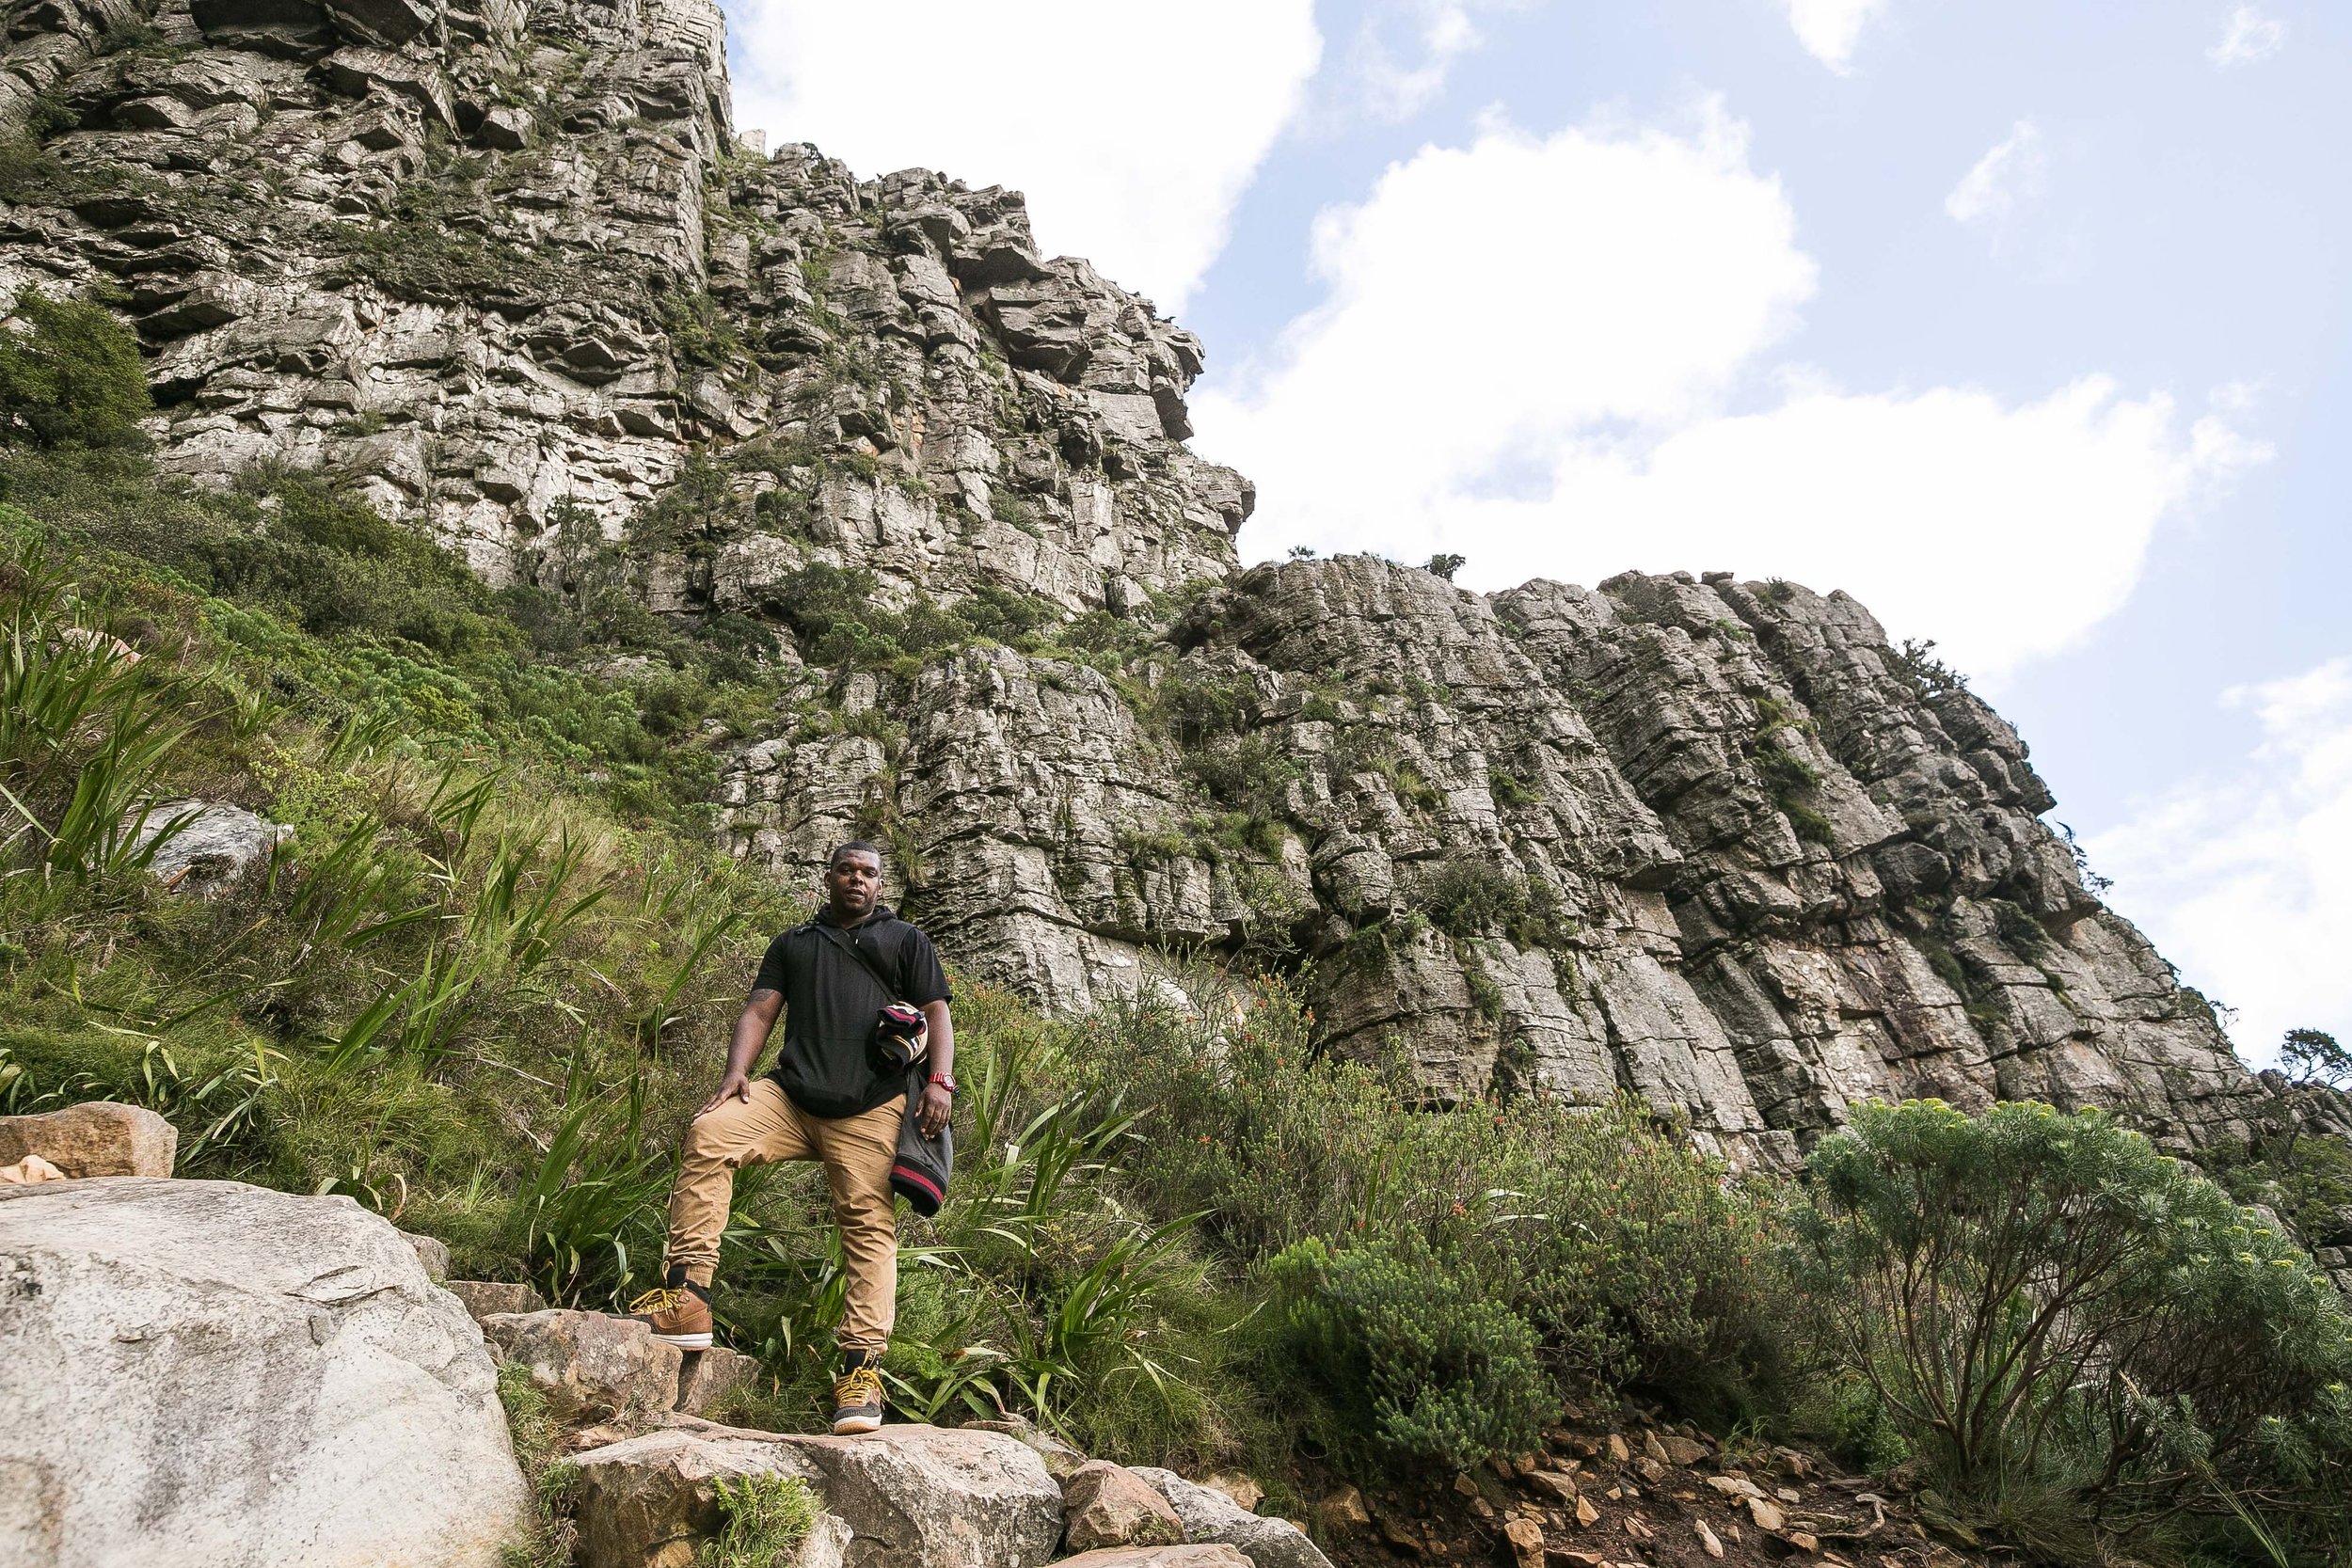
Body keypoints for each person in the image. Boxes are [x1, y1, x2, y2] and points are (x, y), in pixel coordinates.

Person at [626, 841, 955, 1434]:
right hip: (789, 1097)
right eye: (847, 870)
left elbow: (937, 1012)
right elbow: (759, 1011)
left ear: (881, 885)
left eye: (869, 873)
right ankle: (687, 1295)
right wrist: (736, 1073)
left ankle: (860, 1373)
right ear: (828, 877)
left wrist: (940, 1082)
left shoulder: (906, 941)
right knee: (709, 1134)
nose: (857, 880)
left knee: (867, 1225)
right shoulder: (794, 944)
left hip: (871, 1107)